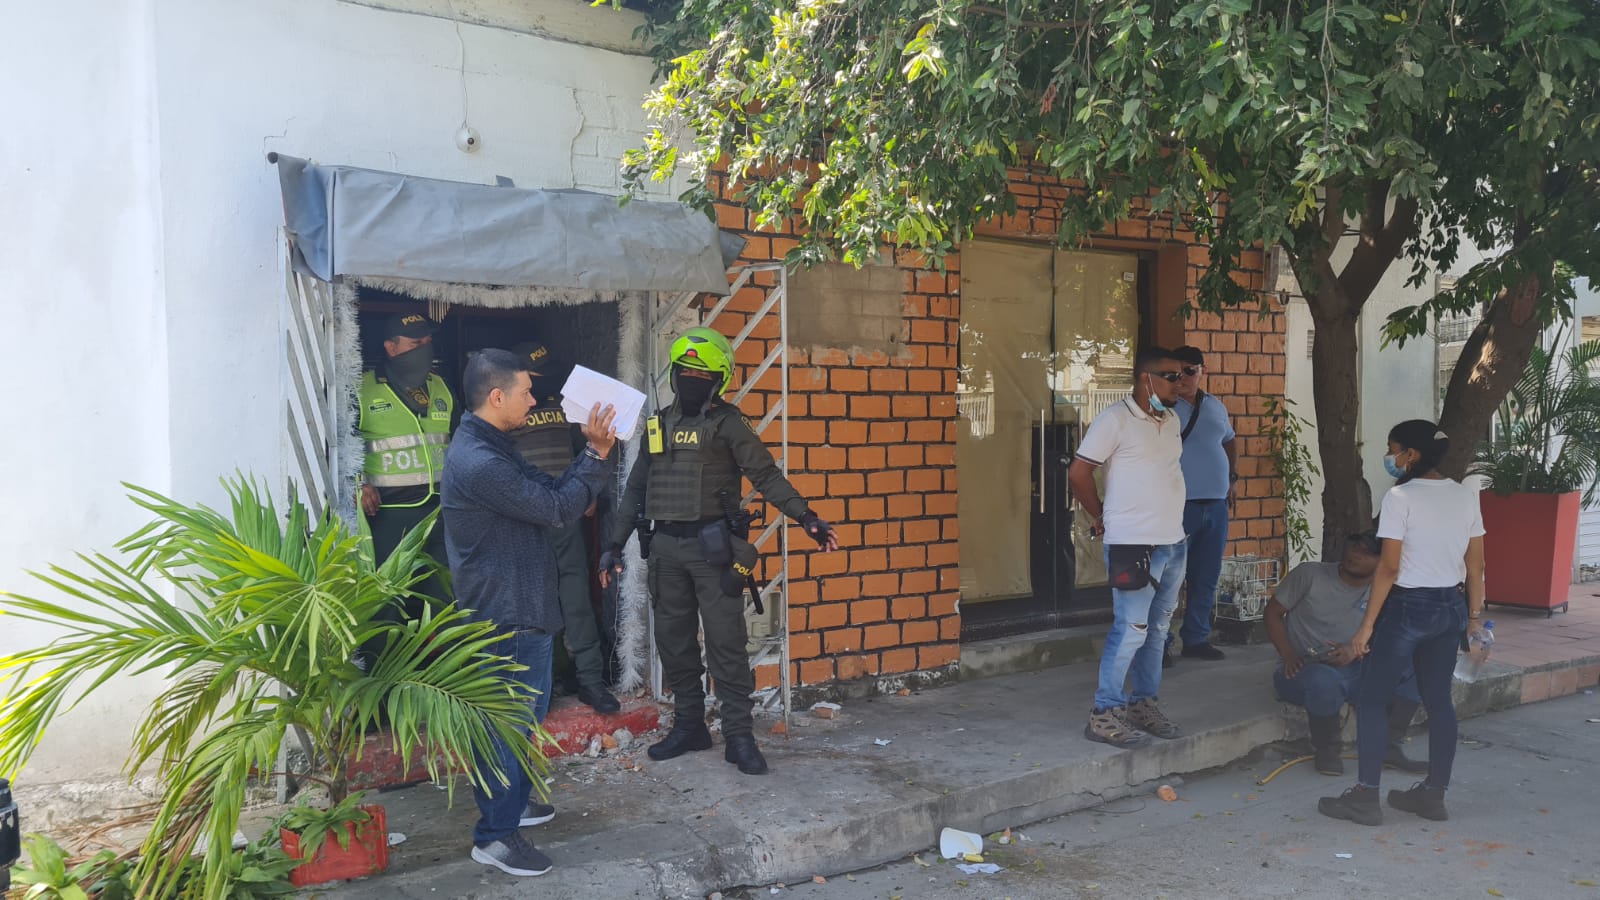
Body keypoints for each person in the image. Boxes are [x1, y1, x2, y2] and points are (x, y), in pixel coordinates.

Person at [599, 326, 839, 776]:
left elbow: (766, 477)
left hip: (713, 550)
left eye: (701, 373)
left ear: (718, 379)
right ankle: (690, 724)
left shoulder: (729, 424)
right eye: (685, 371)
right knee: (674, 645)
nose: (691, 378)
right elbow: (636, 488)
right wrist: (614, 544)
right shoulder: (657, 424)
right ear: (673, 374)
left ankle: (739, 736)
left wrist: (806, 517)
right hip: (665, 550)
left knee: (727, 646)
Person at [442, 348, 617, 877]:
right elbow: (558, 509)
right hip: (506, 612)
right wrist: (597, 456)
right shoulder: (479, 461)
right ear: (497, 397)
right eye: (525, 392)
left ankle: (512, 803)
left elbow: (544, 489)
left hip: (521, 602)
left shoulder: (489, 442)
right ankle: (495, 837)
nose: (534, 400)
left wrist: (581, 473)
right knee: (507, 725)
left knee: (524, 718)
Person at [1319, 420, 1486, 826]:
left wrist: (1365, 628)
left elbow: (1389, 568)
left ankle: (1365, 798)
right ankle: (1433, 796)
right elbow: (1476, 564)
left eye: (1393, 448)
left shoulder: (1400, 497)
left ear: (1411, 454)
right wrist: (1476, 620)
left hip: (1409, 606)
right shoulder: (1465, 495)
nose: (1390, 457)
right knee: (1439, 701)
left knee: (1373, 700)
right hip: (1451, 607)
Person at [1067, 347, 1189, 748]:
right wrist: (1099, 513)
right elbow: (1080, 472)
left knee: (1158, 630)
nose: (1180, 381)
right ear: (1146, 379)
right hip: (1133, 543)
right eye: (1171, 375)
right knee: (1132, 629)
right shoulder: (1115, 419)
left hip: (1173, 542)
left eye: (1184, 374)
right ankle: (1104, 713)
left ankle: (1143, 704)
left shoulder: (1171, 419)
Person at [507, 341, 620, 714]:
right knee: (527, 607)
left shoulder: (563, 404)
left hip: (563, 516)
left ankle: (590, 680)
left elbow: (582, 451)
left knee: (575, 598)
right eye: (535, 376)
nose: (542, 383)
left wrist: (587, 492)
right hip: (522, 522)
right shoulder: (505, 410)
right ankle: (535, 687)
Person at [1265, 531, 1428, 776]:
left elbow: (1392, 635)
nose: (1355, 555)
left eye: (1366, 553)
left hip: (1356, 668)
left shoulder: (1385, 589)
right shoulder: (1311, 574)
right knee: (1323, 680)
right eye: (1354, 547)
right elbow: (1272, 613)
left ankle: (1389, 746)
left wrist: (1354, 651)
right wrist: (1288, 654)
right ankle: (1327, 750)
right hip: (1303, 668)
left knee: (1420, 666)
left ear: (1381, 561)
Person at [358, 313, 454, 616]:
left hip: (440, 515)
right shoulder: (363, 390)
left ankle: (443, 664)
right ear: (391, 347)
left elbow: (464, 441)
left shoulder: (442, 388)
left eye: (428, 342)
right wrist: (358, 483)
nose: (425, 348)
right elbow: (337, 445)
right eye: (416, 343)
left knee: (444, 603)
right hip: (390, 518)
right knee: (389, 606)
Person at [1167, 345, 1236, 664]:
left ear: (1201, 371)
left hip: (1216, 504)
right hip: (1178, 505)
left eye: (1190, 371)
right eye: (1177, 372)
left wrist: (1232, 479)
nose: (1184, 378)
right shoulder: (1163, 407)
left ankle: (1196, 639)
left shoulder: (1215, 406)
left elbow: (1229, 440)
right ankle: (1160, 643)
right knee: (1169, 576)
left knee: (1206, 575)